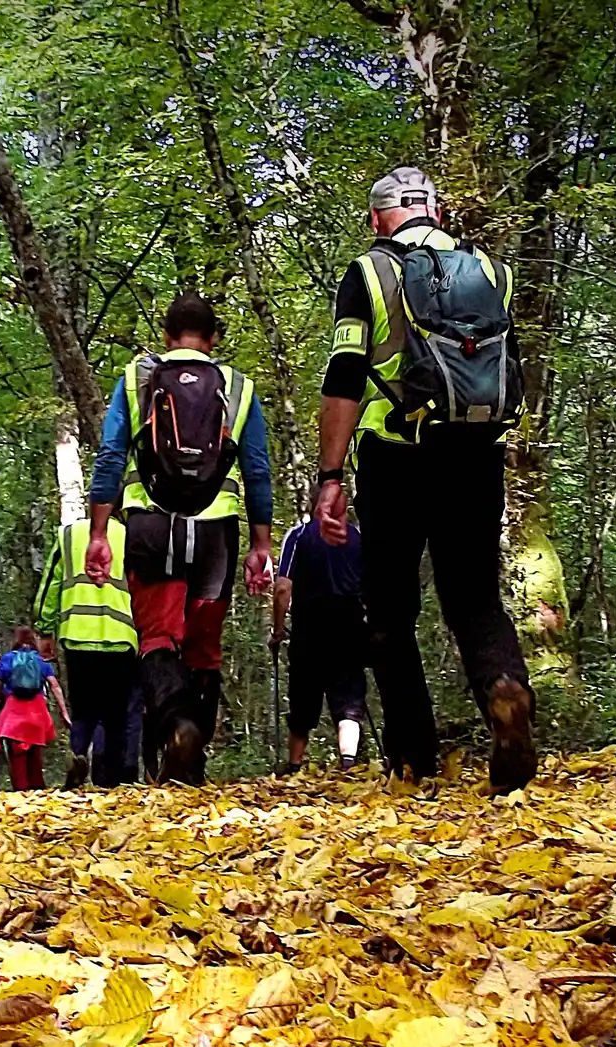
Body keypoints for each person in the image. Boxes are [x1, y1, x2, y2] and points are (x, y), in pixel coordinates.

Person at [312, 166, 536, 793]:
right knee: (475, 597)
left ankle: (413, 756)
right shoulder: (490, 271)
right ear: (435, 212)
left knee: (389, 609)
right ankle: (503, 686)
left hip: (395, 459)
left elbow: (345, 377)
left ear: (378, 218)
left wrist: (331, 476)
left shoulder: (368, 273)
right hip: (476, 452)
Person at [86, 294, 274, 785]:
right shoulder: (238, 388)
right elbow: (257, 469)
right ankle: (194, 756)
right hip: (215, 534)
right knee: (203, 647)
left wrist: (99, 532)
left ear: (167, 337)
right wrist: (261, 546)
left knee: (157, 639)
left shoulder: (137, 379)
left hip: (150, 527)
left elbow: (110, 456)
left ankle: (178, 726)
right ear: (214, 339)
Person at [34, 512, 137, 788]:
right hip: (120, 637)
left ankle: (77, 757)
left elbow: (51, 584)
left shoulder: (68, 535)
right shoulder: (130, 535)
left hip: (78, 635)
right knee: (116, 716)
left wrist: (44, 628)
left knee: (83, 710)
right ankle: (112, 781)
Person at [273, 510, 367, 774]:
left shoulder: (299, 535)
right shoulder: (357, 537)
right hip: (350, 627)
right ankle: (348, 764)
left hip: (309, 628)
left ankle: (294, 766)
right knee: (349, 699)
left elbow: (282, 588)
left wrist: (278, 630)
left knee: (303, 697)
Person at [0, 625, 69, 791]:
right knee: (35, 753)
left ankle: (21, 790)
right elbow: (55, 686)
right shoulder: (40, 660)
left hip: (14, 710)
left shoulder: (8, 659)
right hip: (37, 711)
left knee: (17, 755)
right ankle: (38, 789)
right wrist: (64, 712)